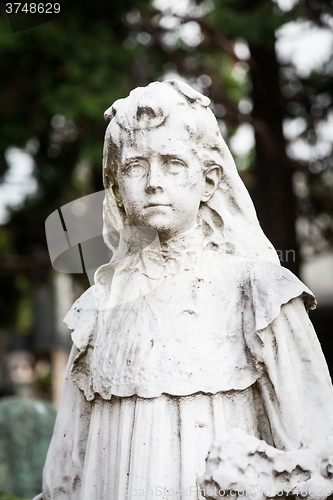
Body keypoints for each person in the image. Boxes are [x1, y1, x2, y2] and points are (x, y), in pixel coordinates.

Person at [41, 81, 333, 500]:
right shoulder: (98, 308)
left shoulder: (258, 292)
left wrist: (266, 477)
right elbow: (64, 472)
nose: (154, 181)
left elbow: (319, 451)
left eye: (173, 162)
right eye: (135, 166)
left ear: (209, 180)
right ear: (118, 189)